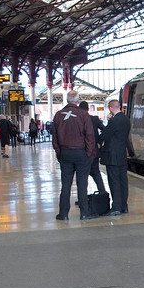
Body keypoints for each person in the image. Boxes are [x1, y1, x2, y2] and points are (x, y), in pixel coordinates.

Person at [52, 90, 97, 220]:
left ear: (67, 100)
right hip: (81, 152)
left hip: (65, 153)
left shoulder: (59, 115)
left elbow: (54, 137)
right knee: (82, 183)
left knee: (66, 184)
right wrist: (89, 154)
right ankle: (84, 212)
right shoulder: (83, 114)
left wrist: (59, 153)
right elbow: (89, 135)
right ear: (78, 100)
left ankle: (64, 213)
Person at [100, 99, 131, 216]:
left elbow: (105, 135)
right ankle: (124, 206)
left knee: (114, 181)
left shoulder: (114, 121)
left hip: (112, 155)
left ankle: (116, 207)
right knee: (123, 180)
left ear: (111, 109)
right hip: (122, 154)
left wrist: (108, 122)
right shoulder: (126, 119)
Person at [79, 100, 107, 195]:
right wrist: (99, 142)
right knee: (96, 173)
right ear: (87, 109)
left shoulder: (77, 120)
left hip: (81, 152)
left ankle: (82, 197)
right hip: (94, 151)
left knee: (82, 176)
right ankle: (102, 193)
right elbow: (105, 130)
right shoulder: (94, 119)